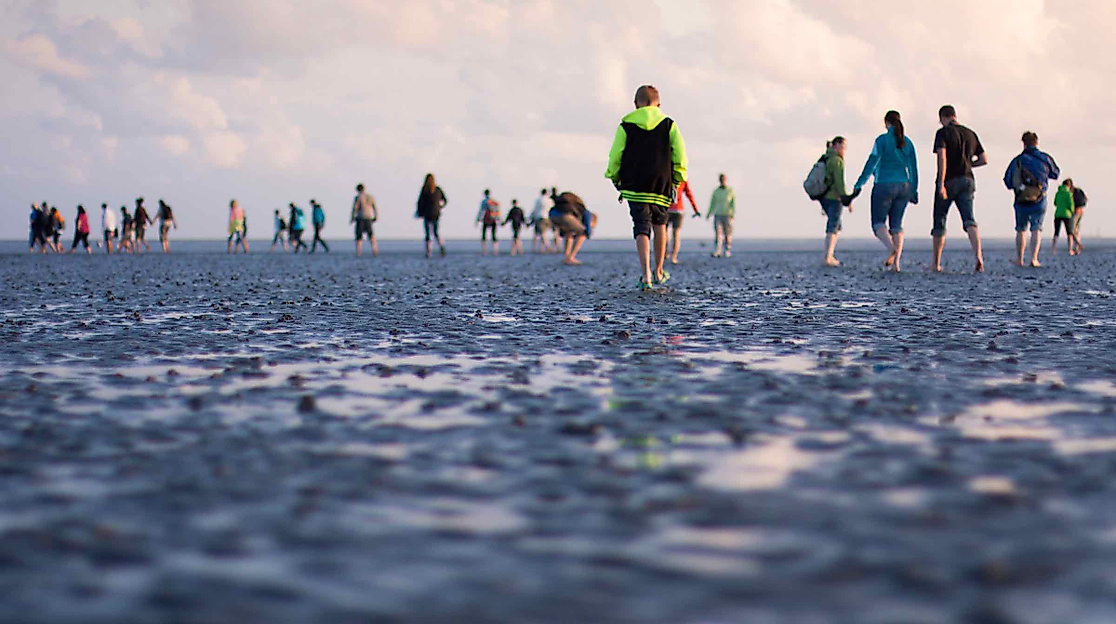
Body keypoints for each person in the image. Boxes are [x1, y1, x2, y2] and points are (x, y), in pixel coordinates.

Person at [605, 84, 688, 290]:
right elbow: (680, 156)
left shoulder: (626, 125)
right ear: (658, 104)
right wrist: (677, 179)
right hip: (661, 183)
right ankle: (659, 271)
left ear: (636, 104)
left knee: (641, 226)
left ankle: (646, 276)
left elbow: (616, 156)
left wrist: (614, 177)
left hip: (634, 184)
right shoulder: (669, 125)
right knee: (660, 224)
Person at [853, 110, 919, 272]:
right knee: (896, 225)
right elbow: (913, 169)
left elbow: (872, 163)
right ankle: (896, 263)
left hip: (883, 184)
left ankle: (892, 249)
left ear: (886, 123)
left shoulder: (881, 141)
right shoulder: (907, 142)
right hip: (904, 186)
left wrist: (859, 184)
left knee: (878, 224)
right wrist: (914, 190)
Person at [932, 105, 988, 273]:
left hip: (949, 180)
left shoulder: (942, 133)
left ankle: (936, 263)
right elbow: (984, 159)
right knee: (969, 220)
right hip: (968, 179)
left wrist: (940, 183)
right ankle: (978, 256)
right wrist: (969, 164)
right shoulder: (970, 133)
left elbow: (942, 158)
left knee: (940, 219)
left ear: (943, 117)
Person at [1004, 131, 1059, 268]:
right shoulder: (1044, 159)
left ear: (1023, 143)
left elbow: (1008, 181)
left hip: (1021, 199)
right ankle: (1034, 259)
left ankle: (1019, 258)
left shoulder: (1017, 161)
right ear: (1036, 142)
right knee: (1036, 228)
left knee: (1020, 229)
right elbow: (1055, 173)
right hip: (1039, 199)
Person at [819, 137, 856, 266]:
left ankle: (828, 255)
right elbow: (839, 182)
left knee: (835, 225)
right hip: (835, 197)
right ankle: (828, 257)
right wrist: (847, 200)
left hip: (824, 197)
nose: (844, 150)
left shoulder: (826, 157)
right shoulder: (837, 161)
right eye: (843, 147)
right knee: (833, 226)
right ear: (837, 145)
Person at [549, 191, 596, 265]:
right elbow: (587, 228)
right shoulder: (586, 212)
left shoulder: (570, 206)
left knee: (569, 232)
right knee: (582, 233)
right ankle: (571, 257)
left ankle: (566, 257)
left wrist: (562, 232)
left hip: (552, 215)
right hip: (564, 216)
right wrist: (588, 233)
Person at [667, 179, 700, 263]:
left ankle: (665, 254)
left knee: (664, 232)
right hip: (678, 209)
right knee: (676, 233)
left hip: (666, 208)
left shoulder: (666, 176)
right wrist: (695, 209)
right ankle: (673, 257)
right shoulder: (682, 179)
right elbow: (689, 194)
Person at [416, 173, 447, 258]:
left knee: (428, 234)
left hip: (427, 213)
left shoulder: (425, 190)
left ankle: (429, 252)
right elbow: (445, 200)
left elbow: (420, 202)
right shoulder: (437, 189)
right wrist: (440, 206)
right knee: (436, 232)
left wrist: (419, 212)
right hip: (436, 213)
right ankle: (441, 246)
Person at [706, 174, 736, 259]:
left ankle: (727, 250)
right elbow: (712, 203)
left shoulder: (730, 191)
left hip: (727, 214)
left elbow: (733, 203)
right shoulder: (716, 191)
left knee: (727, 233)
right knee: (718, 233)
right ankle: (717, 250)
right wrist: (709, 213)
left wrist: (733, 213)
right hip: (718, 214)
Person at [1051, 179, 1077, 256]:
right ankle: (1070, 249)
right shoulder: (1069, 194)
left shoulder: (1058, 193)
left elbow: (1055, 203)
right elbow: (1071, 205)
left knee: (1056, 232)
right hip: (1067, 214)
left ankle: (1053, 249)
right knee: (1069, 233)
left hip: (1058, 213)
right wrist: (1072, 211)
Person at [351, 183, 377, 257]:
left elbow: (355, 208)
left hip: (360, 218)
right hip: (369, 217)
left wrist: (352, 217)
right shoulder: (370, 197)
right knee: (371, 235)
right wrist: (376, 216)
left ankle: (358, 252)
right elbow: (375, 207)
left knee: (359, 237)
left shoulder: (358, 197)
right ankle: (375, 250)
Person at [529, 188, 555, 253]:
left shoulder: (538, 200)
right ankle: (543, 248)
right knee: (544, 233)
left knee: (541, 234)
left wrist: (531, 217)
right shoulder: (550, 200)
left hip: (540, 217)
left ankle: (545, 247)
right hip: (548, 217)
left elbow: (535, 209)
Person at [476, 189, 500, 255]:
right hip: (493, 219)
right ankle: (495, 250)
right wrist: (498, 219)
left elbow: (481, 211)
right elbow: (497, 211)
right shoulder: (493, 201)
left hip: (486, 219)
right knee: (494, 235)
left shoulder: (484, 202)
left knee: (484, 235)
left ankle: (484, 251)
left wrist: (478, 219)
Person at [1071, 185, 1088, 255]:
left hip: (1075, 211)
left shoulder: (1072, 193)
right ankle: (1077, 248)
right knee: (1077, 230)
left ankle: (1078, 245)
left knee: (1072, 230)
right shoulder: (1080, 192)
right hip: (1081, 211)